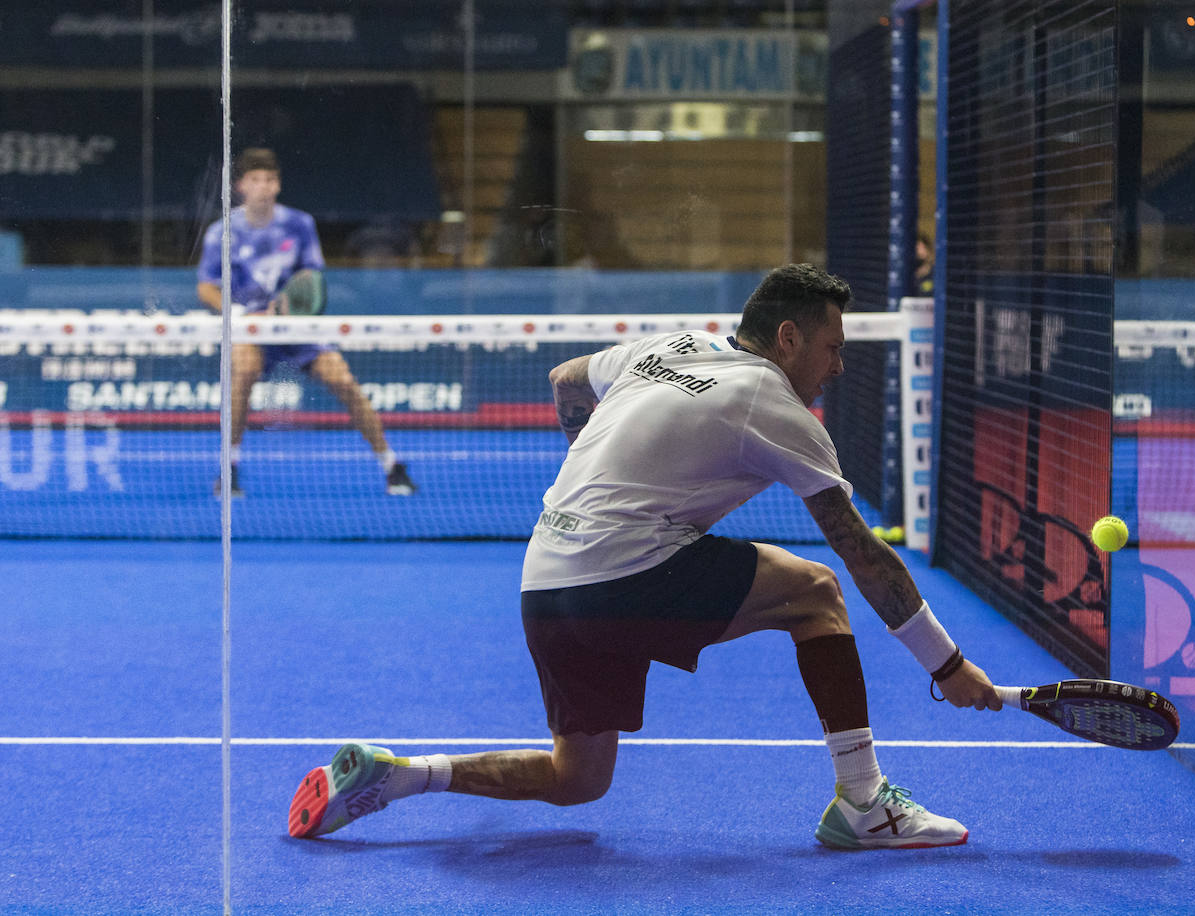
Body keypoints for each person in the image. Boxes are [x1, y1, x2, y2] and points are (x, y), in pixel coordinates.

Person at [287, 264, 1000, 849]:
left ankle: (401, 777)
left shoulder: (673, 345)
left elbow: (566, 378)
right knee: (815, 592)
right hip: (621, 577)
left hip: (545, 581)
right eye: (832, 347)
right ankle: (865, 804)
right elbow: (862, 554)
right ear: (788, 338)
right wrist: (947, 664)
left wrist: (595, 470)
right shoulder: (773, 402)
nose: (838, 365)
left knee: (578, 780)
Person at [196, 148, 415, 498]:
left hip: (296, 327)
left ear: (278, 185)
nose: (263, 187)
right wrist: (236, 314)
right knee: (242, 375)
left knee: (343, 381)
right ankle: (230, 467)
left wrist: (284, 309)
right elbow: (206, 286)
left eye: (269, 180)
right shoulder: (222, 231)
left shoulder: (299, 224)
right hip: (250, 330)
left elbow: (311, 278)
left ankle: (392, 465)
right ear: (241, 186)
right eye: (255, 180)